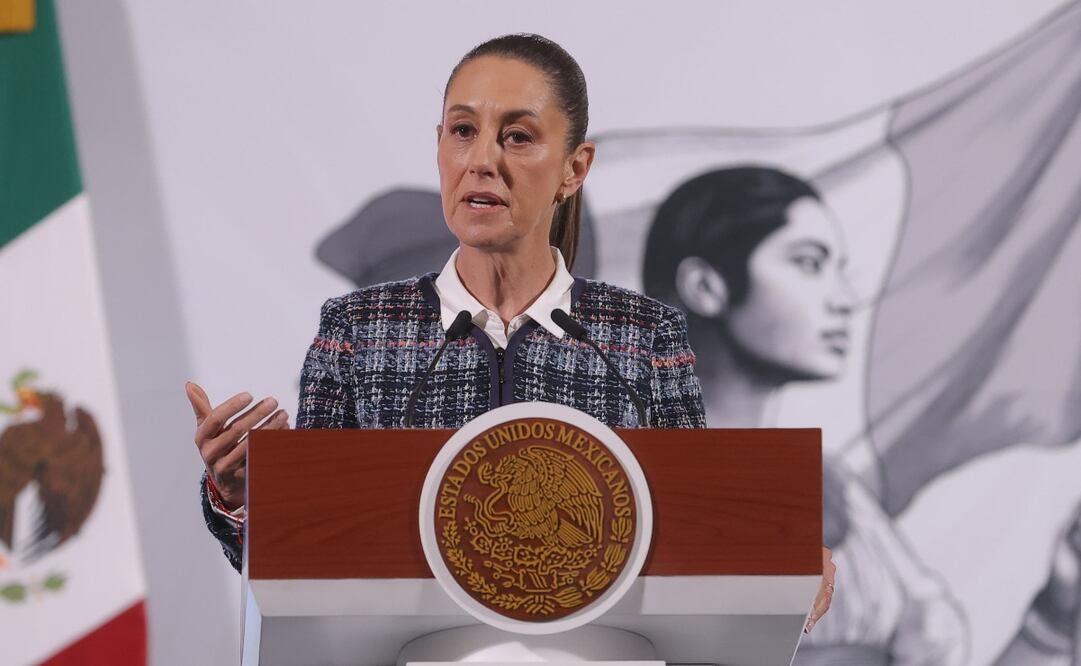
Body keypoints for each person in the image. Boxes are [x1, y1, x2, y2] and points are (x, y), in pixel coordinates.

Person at [184, 35, 834, 630]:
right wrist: (243, 498)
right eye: (462, 131)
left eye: (517, 138)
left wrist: (779, 571)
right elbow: (306, 562)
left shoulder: (644, 338)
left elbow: (693, 544)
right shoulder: (358, 330)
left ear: (574, 169)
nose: (481, 161)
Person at [643, 166, 964, 662]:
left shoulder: (832, 481)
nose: (846, 300)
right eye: (810, 263)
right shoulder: (619, 478)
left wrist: (1049, 618)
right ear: (707, 286)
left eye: (839, 268)